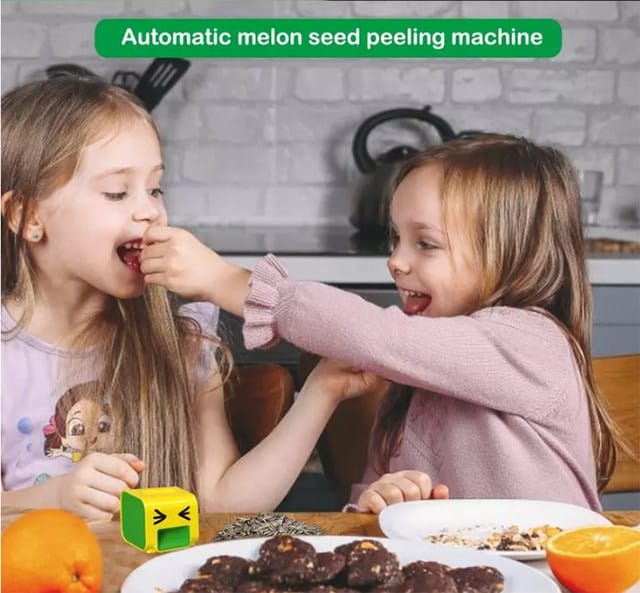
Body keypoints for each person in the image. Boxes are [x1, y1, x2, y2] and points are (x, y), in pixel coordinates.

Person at [140, 134, 624, 514]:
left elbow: (379, 335)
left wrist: (227, 281)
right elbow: (369, 506)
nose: (395, 261)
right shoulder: (408, 385)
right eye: (396, 239)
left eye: (425, 244)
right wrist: (378, 502)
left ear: (515, 253)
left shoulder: (533, 342)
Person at [1, 76, 392, 520]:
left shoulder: (183, 338)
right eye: (116, 192)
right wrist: (53, 498)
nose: (149, 210)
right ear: (27, 216)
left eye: (155, 188)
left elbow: (223, 504)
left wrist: (322, 392)